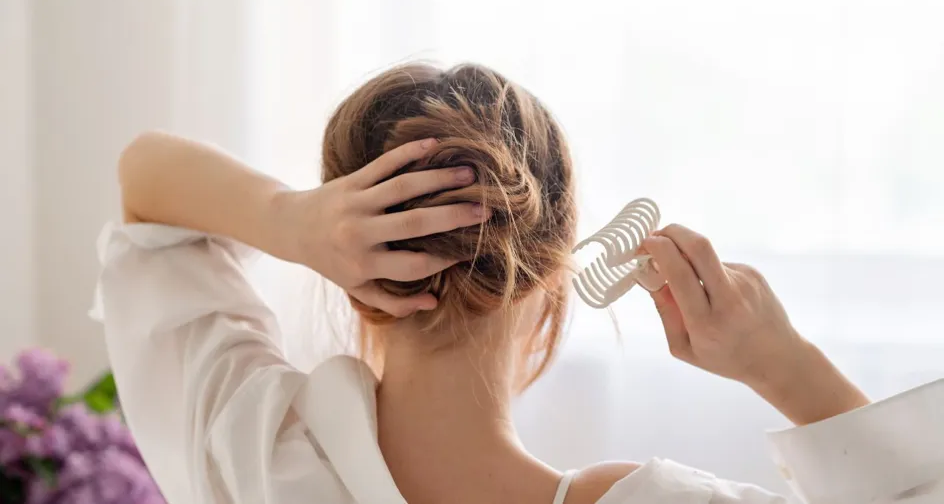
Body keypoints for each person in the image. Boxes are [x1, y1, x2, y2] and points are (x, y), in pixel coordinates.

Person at [92, 63, 944, 503]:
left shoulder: (251, 451)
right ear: (553, 272)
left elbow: (146, 183)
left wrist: (290, 221)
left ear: (349, 272)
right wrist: (779, 362)